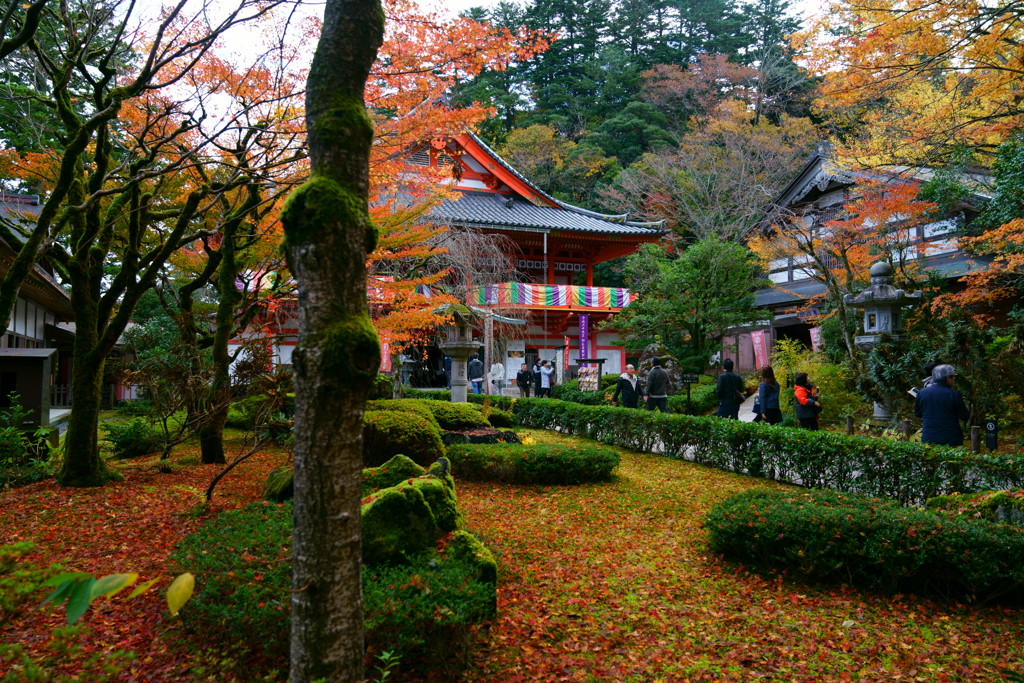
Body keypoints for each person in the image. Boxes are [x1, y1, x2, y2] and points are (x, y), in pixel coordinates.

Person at [915, 364, 970, 446]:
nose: (954, 379)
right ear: (948, 378)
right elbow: (964, 416)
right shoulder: (954, 394)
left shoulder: (922, 393)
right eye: (953, 377)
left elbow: (918, 413)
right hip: (951, 438)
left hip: (929, 437)